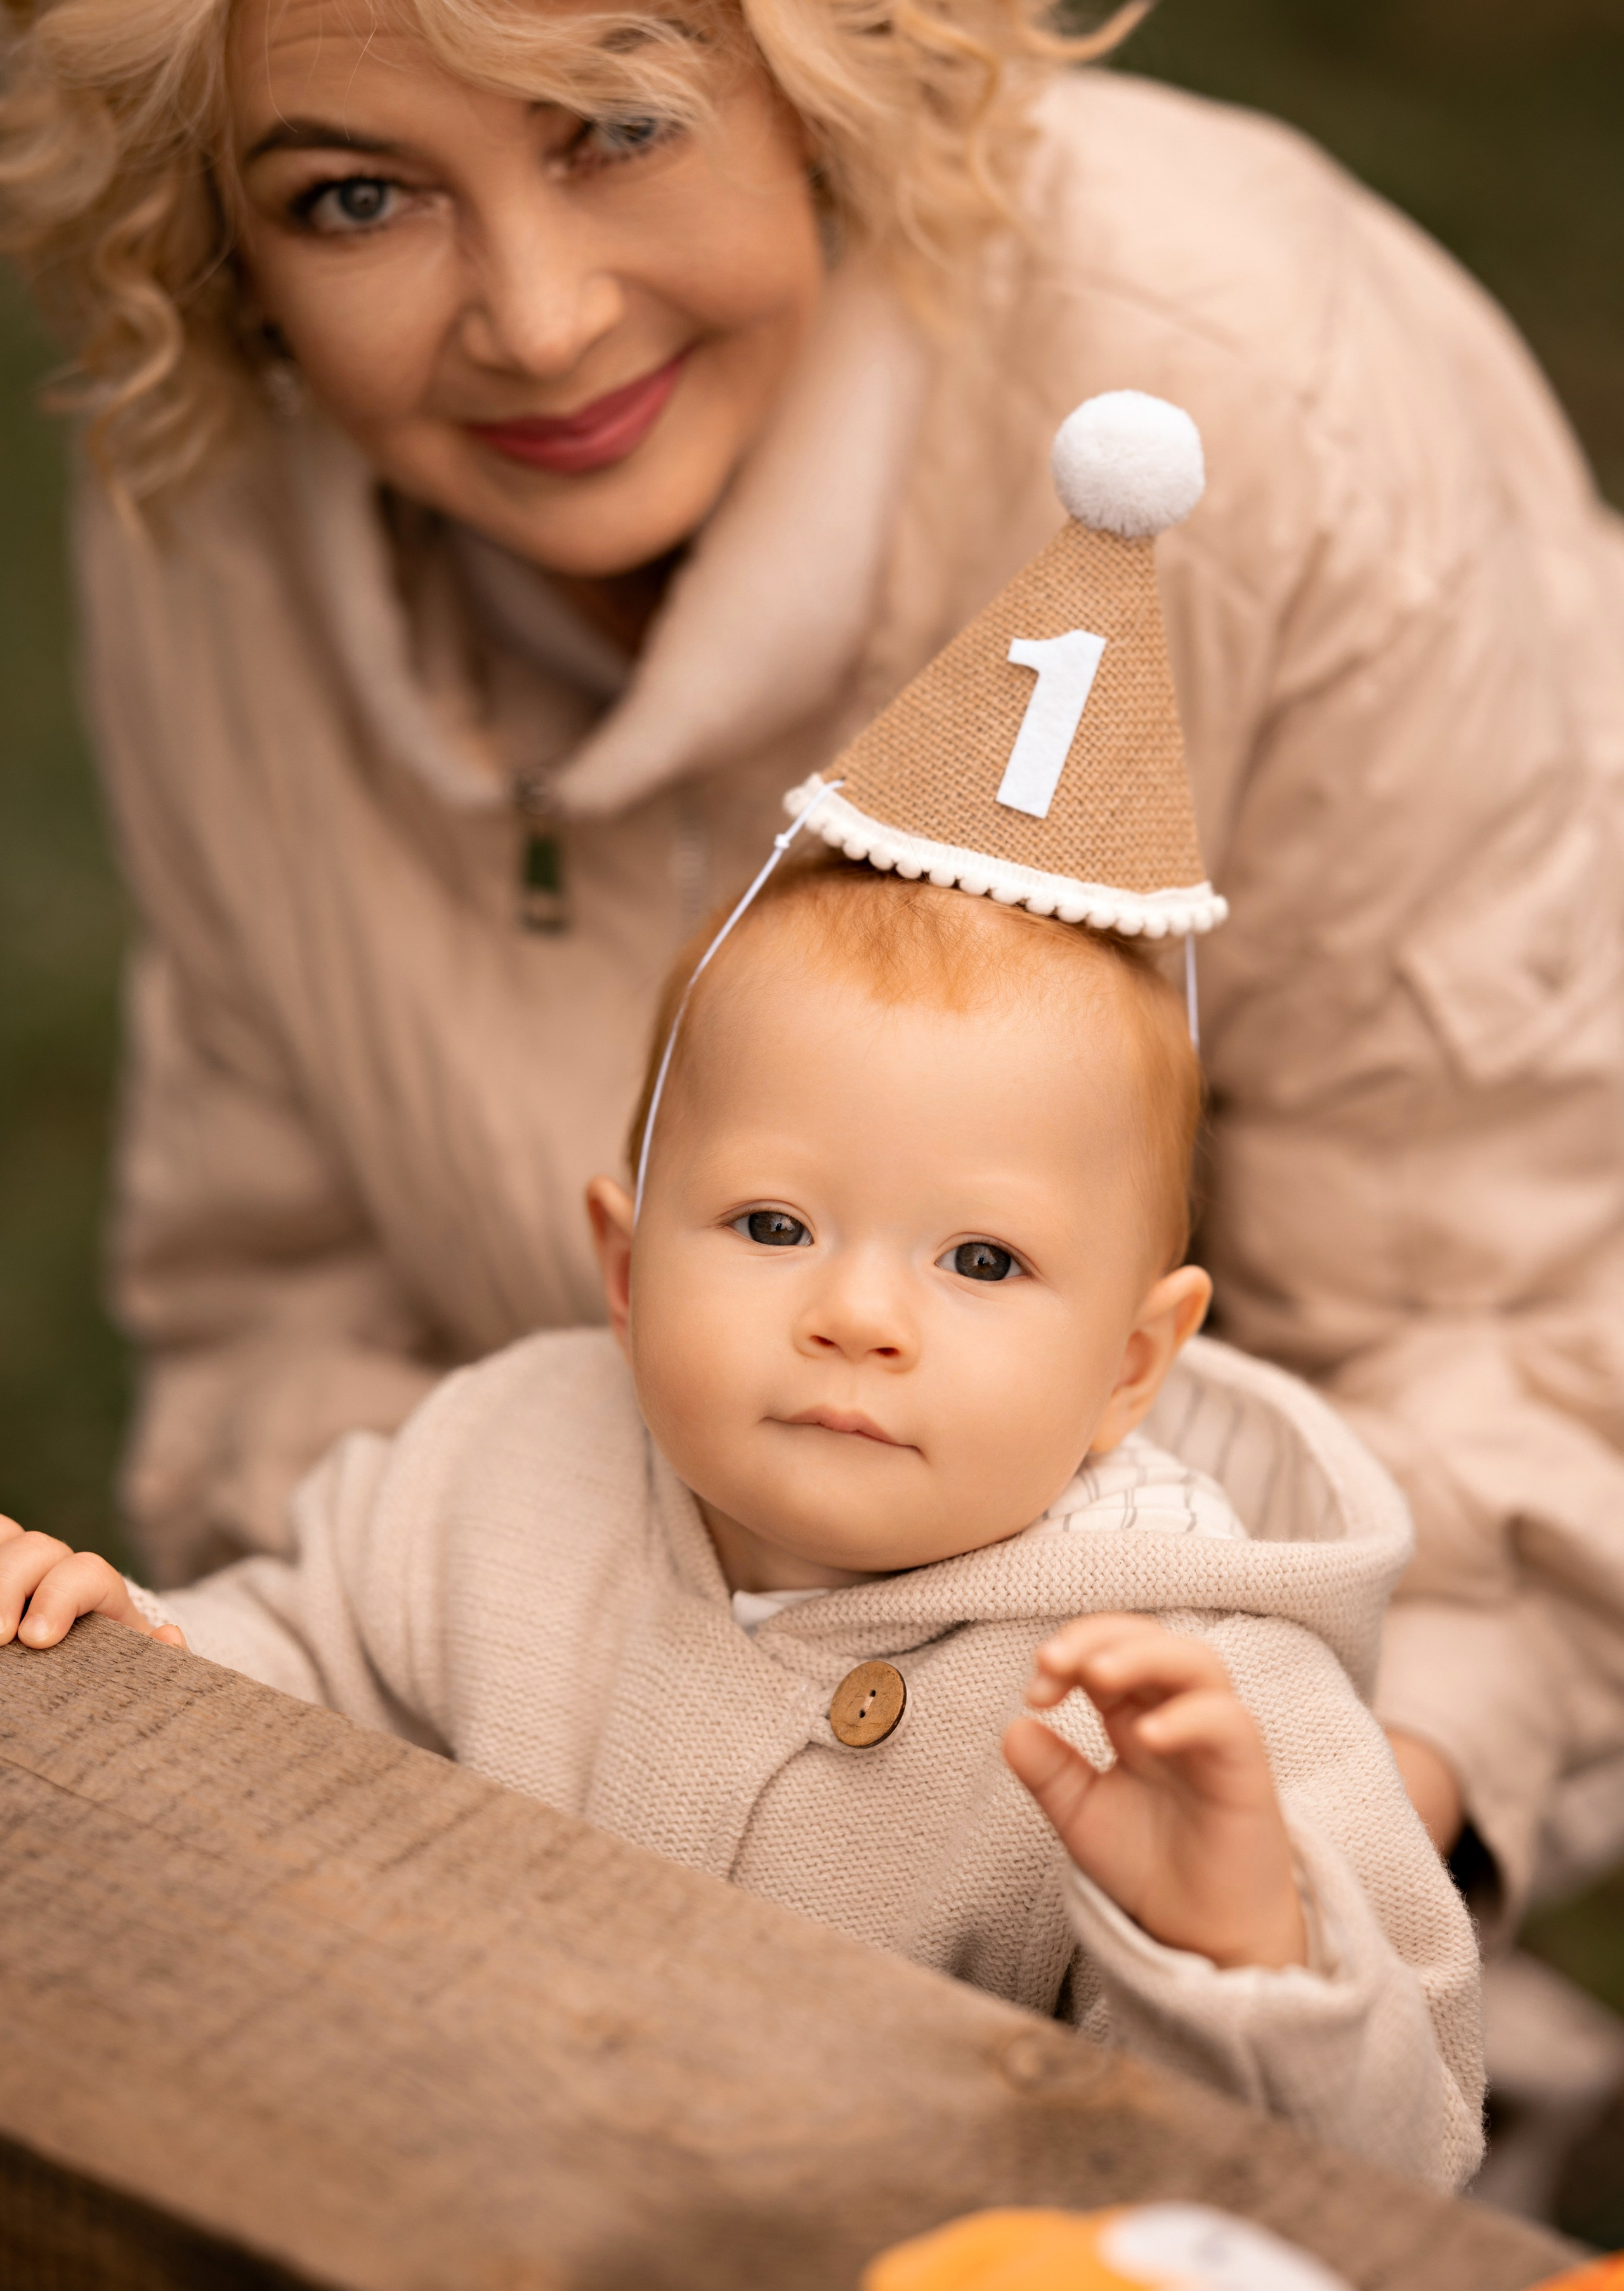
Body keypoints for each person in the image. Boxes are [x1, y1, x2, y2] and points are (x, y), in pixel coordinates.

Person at [1, 0, 1621, 1931]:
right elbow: (279, 1297)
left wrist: (1287, 1886)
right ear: (218, 246)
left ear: (829, 64)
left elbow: (1524, 1348)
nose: (537, 318)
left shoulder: (1281, 402)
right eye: (355, 194)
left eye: (618, 119)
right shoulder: (212, 505)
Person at [0, 416, 1484, 2186]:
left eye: (984, 1261)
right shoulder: (496, 1468)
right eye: (773, 1224)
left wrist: (1244, 1955)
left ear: (1134, 1365)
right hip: (427, 2206)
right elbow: (304, 1685)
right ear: (626, 1268)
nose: (859, 1314)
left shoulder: (1200, 1711)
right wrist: (134, 1663)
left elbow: (1380, 2191)